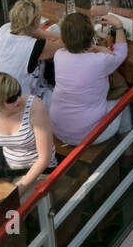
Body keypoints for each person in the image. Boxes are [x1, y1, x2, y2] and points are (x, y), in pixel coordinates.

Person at [51, 11, 129, 147]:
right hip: (90, 134)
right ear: (92, 35)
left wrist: (95, 48)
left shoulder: (58, 56)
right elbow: (121, 53)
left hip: (59, 129)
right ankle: (127, 148)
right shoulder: (100, 61)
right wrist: (118, 25)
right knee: (124, 98)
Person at [0, 73, 55, 196]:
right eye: (11, 99)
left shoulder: (34, 107)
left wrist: (17, 192)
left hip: (38, 169)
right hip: (9, 166)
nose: (18, 100)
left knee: (11, 208)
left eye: (18, 93)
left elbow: (45, 158)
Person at [0, 0, 62, 104]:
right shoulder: (35, 47)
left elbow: (32, 33)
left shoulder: (4, 28)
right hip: (17, 104)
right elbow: (67, 43)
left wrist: (36, 31)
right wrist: (46, 33)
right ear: (36, 22)